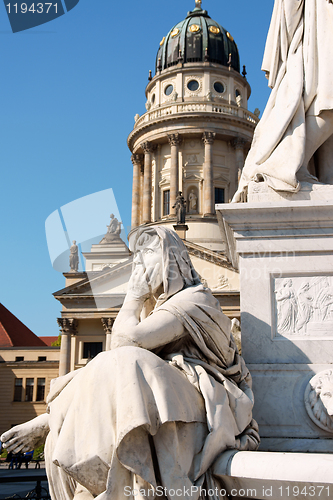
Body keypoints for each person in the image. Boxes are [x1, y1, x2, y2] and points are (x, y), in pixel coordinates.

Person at [1, 227, 259, 500]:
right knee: (110, 365)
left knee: (127, 360)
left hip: (210, 392)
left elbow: (127, 342)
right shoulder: (158, 307)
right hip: (170, 385)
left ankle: (53, 421)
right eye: (136, 255)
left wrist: (133, 297)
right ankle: (56, 423)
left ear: (172, 260)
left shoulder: (195, 299)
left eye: (147, 253)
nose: (138, 263)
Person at [233, 0, 333, 201]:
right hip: (318, 23)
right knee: (326, 99)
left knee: (324, 100)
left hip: (321, 20)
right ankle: (291, 163)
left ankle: (315, 171)